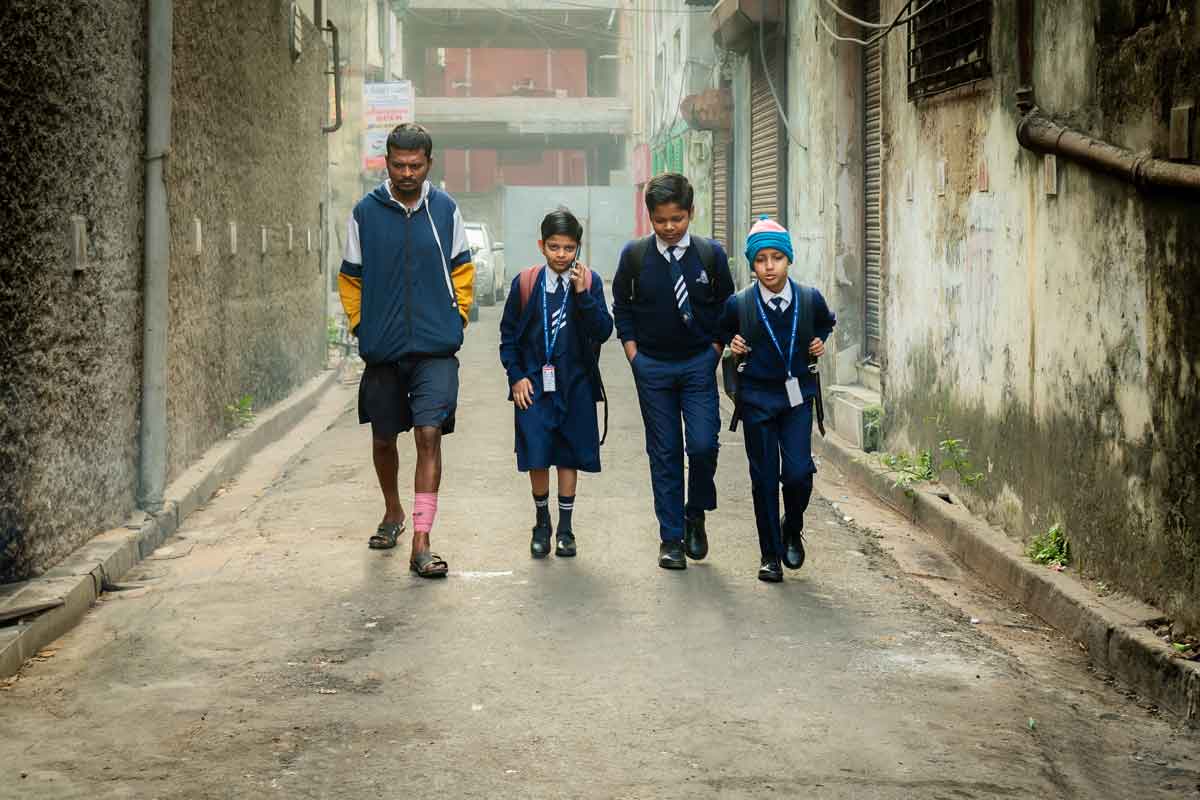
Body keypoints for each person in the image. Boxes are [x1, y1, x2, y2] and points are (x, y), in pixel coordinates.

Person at [338, 123, 475, 579]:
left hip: (436, 348)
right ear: (387, 163)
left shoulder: (445, 210)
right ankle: (393, 510)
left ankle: (421, 539)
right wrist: (363, 326)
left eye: (415, 165)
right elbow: (350, 278)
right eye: (398, 165)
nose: (407, 173)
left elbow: (462, 270)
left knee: (429, 434)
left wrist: (456, 319)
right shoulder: (365, 213)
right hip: (383, 349)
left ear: (428, 164)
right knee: (383, 438)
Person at [611, 174, 735, 570]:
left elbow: (727, 307)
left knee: (702, 445)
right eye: (661, 220)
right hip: (652, 368)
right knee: (663, 453)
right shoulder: (635, 257)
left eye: (677, 219)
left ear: (691, 214)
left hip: (699, 364)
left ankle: (694, 512)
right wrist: (634, 356)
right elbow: (622, 308)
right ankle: (671, 538)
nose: (669, 228)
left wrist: (715, 350)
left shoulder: (710, 255)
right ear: (650, 217)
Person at [721, 217, 836, 582]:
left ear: (789, 259)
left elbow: (825, 324)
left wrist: (819, 342)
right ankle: (770, 554)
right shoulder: (740, 304)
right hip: (756, 399)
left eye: (776, 258)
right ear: (752, 265)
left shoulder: (808, 298)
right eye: (760, 260)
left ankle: (792, 526)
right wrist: (733, 345)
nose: (769, 267)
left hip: (798, 396)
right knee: (765, 477)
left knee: (799, 472)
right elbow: (724, 333)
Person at [499, 210, 613, 558]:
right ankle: (541, 522)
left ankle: (565, 528)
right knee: (536, 452)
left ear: (578, 247)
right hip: (533, 385)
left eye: (568, 247)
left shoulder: (589, 282)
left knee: (568, 454)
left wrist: (582, 295)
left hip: (575, 385)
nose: (561, 255)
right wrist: (516, 376)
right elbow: (508, 337)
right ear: (541, 246)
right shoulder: (526, 283)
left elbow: (603, 331)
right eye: (554, 247)